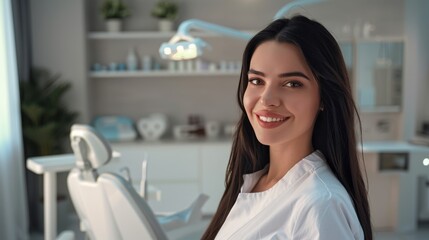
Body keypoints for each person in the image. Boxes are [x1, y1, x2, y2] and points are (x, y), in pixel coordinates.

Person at [201, 15, 372, 240]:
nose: (267, 99)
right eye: (257, 81)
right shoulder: (255, 181)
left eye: (292, 84)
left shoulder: (321, 206)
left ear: (323, 98)